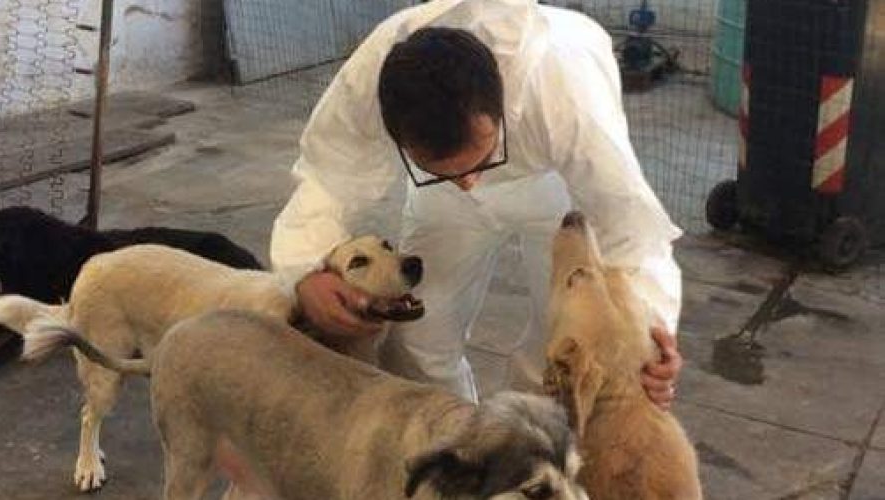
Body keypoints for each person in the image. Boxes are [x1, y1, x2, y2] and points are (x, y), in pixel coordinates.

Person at [270, 0, 683, 408]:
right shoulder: (372, 77)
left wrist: (650, 340)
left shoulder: (564, 92)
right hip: (441, 198)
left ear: (499, 104)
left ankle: (526, 439)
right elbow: (330, 173)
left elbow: (631, 229)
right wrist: (305, 271)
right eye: (442, 168)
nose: (470, 183)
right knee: (418, 339)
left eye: (479, 161)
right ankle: (454, 438)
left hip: (552, 185)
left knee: (558, 341)